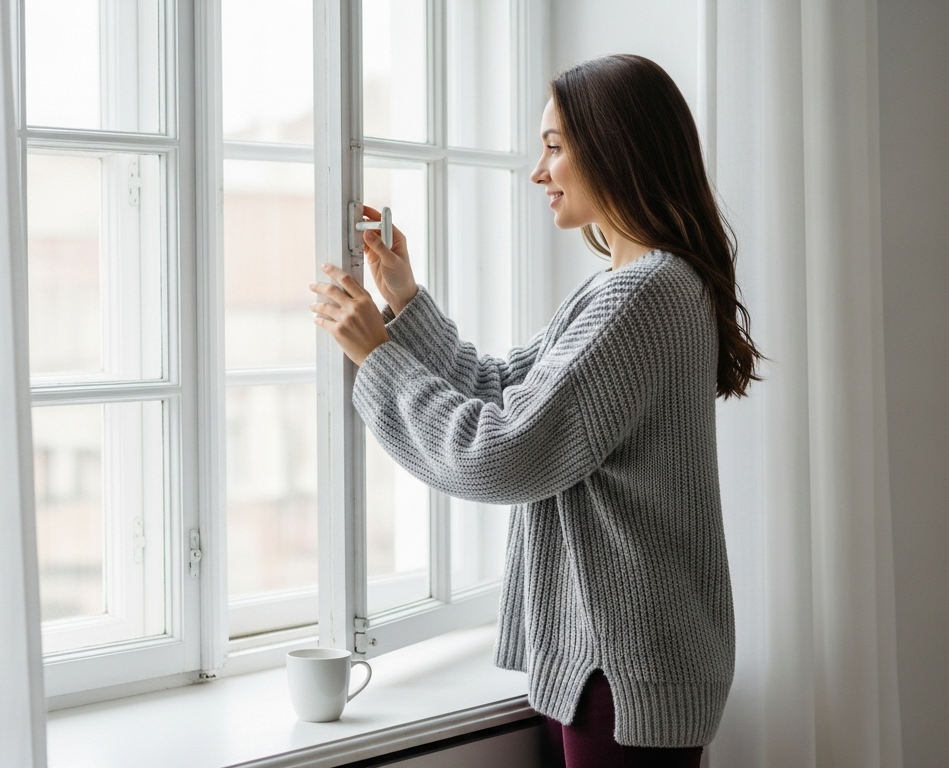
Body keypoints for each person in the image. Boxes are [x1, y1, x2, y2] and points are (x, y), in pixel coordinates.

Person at [307, 54, 761, 768]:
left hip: (623, 671)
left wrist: (379, 357)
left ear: (616, 148)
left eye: (554, 147)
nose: (537, 172)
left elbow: (504, 451)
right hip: (609, 665)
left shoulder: (641, 296)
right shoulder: (625, 286)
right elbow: (499, 388)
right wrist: (403, 302)